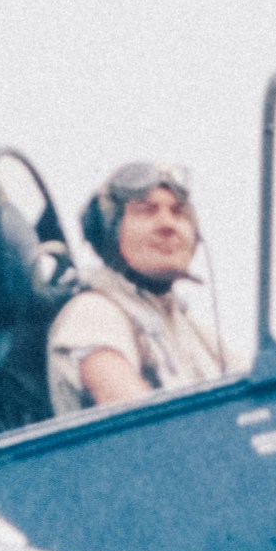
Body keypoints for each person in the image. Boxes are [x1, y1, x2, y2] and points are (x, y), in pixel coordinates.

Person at [47, 160, 236, 413]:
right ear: (108, 232)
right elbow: (140, 423)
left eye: (178, 212)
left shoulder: (195, 332)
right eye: (146, 211)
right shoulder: (93, 313)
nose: (168, 225)